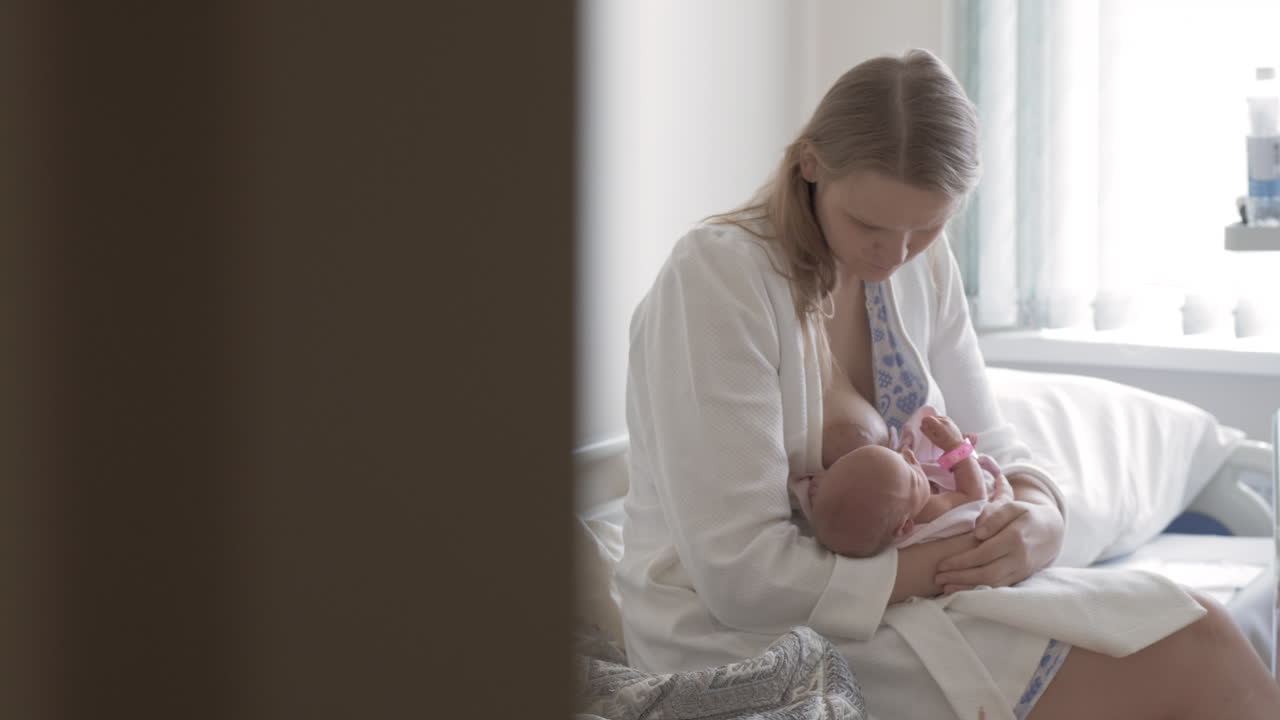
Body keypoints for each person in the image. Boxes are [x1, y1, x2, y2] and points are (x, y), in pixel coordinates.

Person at [617, 49, 1280, 719]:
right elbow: (739, 577)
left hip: (907, 596)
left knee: (1196, 624)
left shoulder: (921, 265)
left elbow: (994, 443)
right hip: (745, 636)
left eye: (926, 226)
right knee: (1185, 658)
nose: (895, 254)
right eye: (869, 225)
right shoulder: (717, 278)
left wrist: (1041, 520)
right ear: (810, 164)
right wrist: (956, 558)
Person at [790, 409, 1006, 557]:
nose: (910, 455)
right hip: (990, 494)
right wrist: (956, 447)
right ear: (905, 527)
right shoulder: (928, 511)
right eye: (914, 477)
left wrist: (827, 485)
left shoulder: (880, 518)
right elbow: (973, 497)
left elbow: (855, 490)